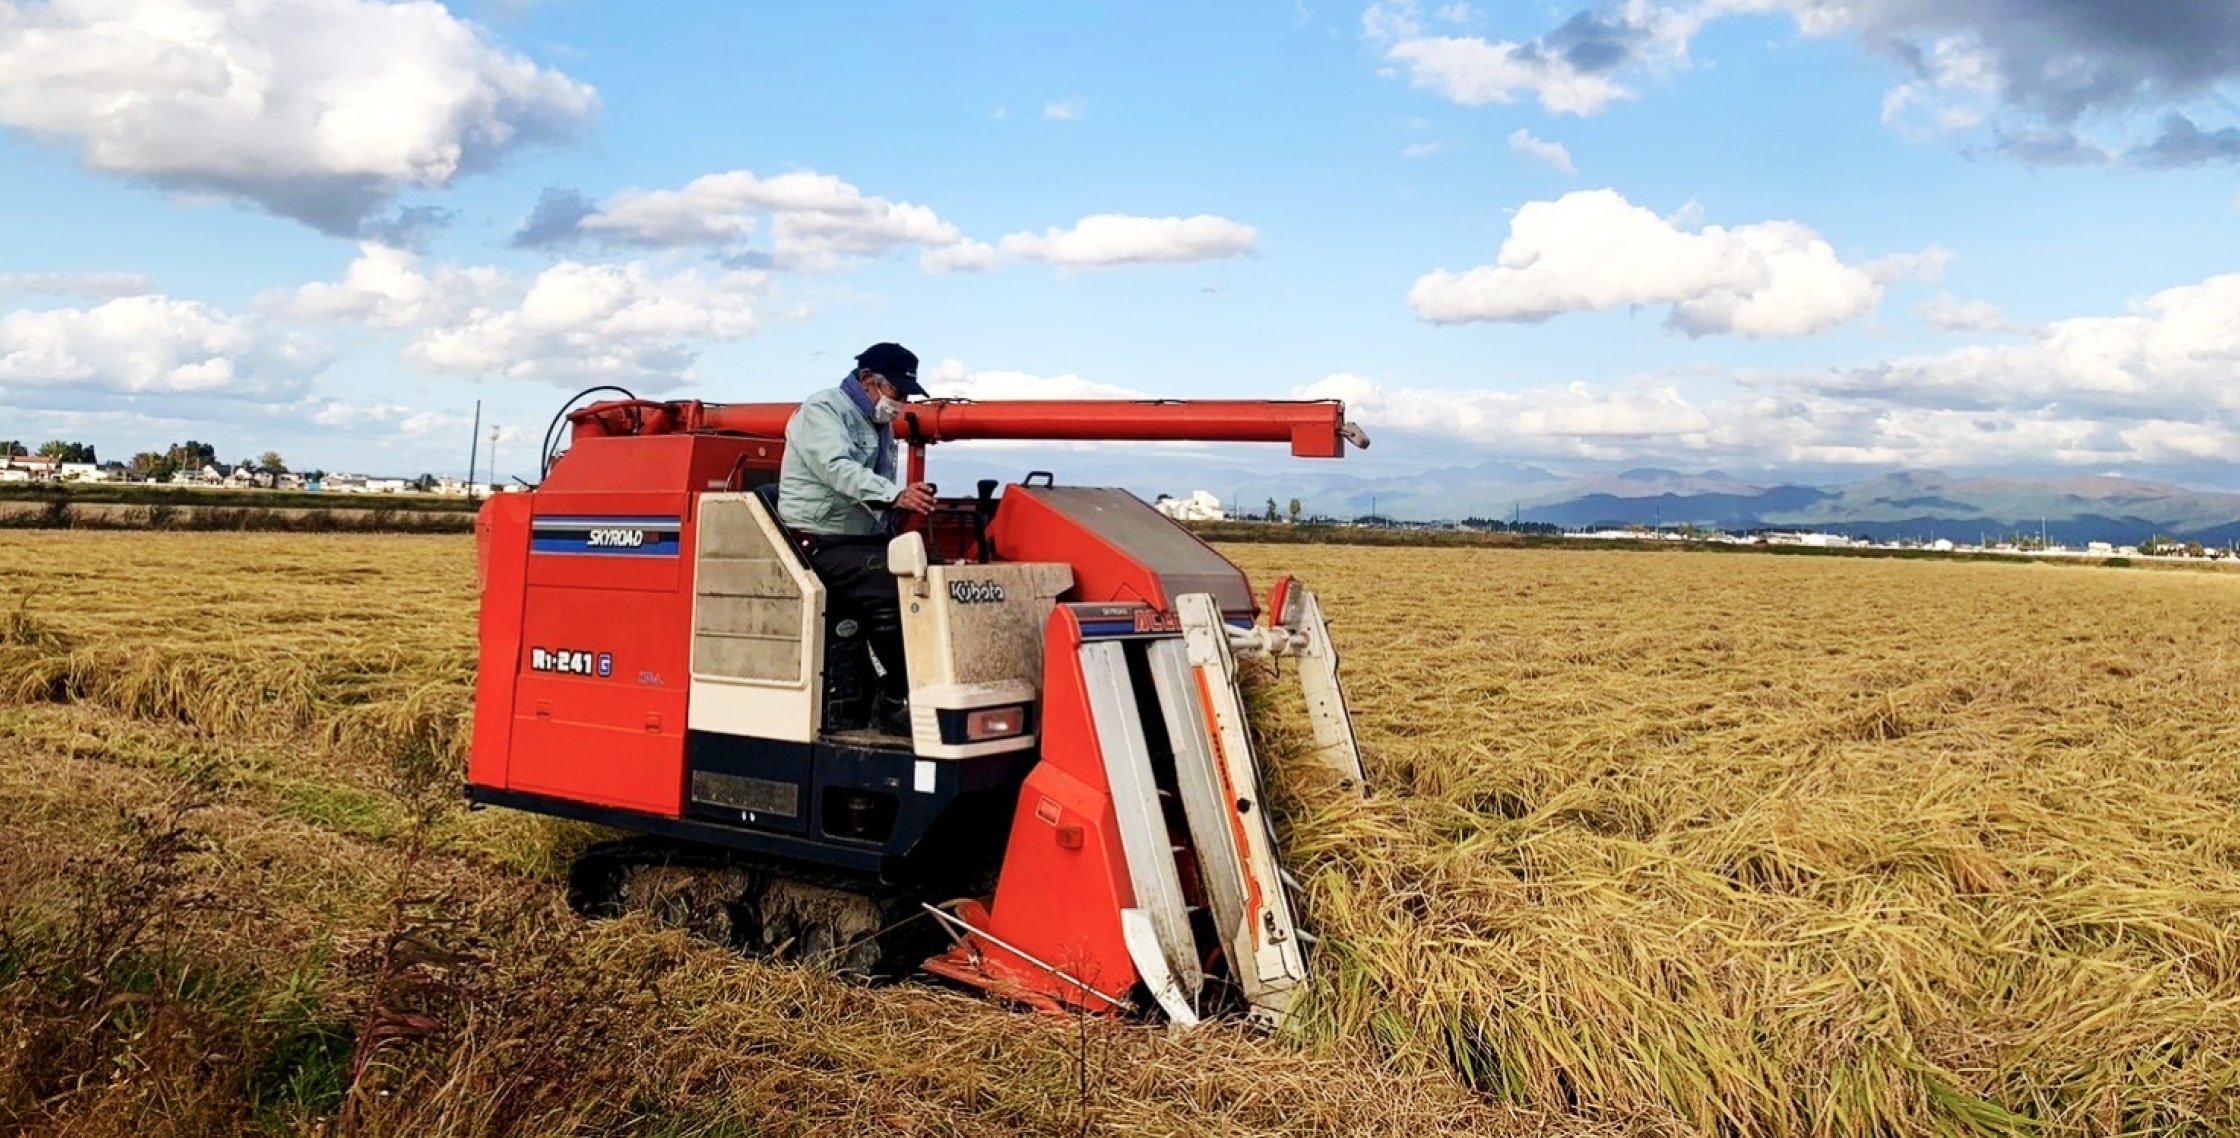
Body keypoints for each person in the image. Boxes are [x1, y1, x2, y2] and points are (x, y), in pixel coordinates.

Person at [776, 342, 938, 733]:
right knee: (893, 585)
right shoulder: (823, 411)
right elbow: (836, 468)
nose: (900, 403)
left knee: (935, 575)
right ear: (869, 381)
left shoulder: (878, 424)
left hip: (856, 540)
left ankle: (910, 690)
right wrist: (895, 496)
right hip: (816, 541)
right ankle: (898, 700)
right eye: (897, 392)